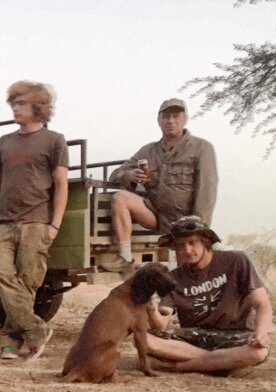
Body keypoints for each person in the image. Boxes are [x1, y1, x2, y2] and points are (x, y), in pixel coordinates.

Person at [0, 80, 68, 361]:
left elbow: (61, 184)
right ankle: (37, 329)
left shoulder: (54, 140)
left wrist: (54, 225)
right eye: (13, 103)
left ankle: (10, 342)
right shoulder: (4, 142)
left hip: (37, 223)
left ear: (39, 107)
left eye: (21, 103)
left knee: (27, 283)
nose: (15, 108)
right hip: (5, 224)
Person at [146, 216, 271, 375]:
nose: (187, 251)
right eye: (180, 246)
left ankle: (176, 367)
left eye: (192, 242)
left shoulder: (237, 260)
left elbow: (262, 304)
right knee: (144, 340)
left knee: (258, 352)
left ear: (206, 241)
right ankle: (224, 364)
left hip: (235, 338)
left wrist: (261, 333)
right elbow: (161, 324)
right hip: (194, 339)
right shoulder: (173, 279)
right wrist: (150, 307)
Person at [103, 98, 218, 272]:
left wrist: (199, 229)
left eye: (175, 116)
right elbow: (116, 174)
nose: (170, 121)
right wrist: (130, 176)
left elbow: (207, 191)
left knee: (189, 270)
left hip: (186, 220)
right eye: (166, 117)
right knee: (120, 198)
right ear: (159, 121)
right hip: (156, 216)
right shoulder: (148, 151)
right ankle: (125, 258)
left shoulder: (201, 148)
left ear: (185, 119)